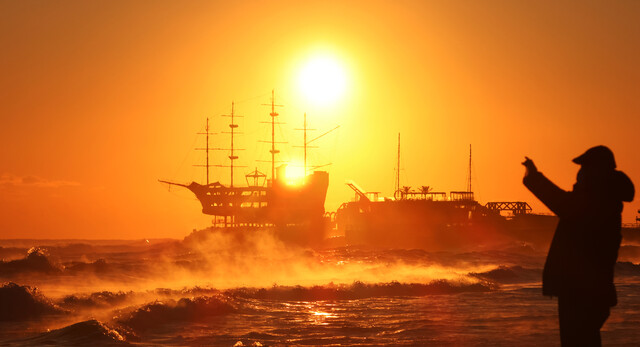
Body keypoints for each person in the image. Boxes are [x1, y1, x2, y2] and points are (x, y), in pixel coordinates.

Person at [522, 145, 634, 346]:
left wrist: (534, 177)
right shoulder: (603, 199)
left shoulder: (598, 201)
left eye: (584, 169)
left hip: (583, 292)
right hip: (587, 290)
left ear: (597, 172)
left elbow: (561, 203)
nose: (579, 174)